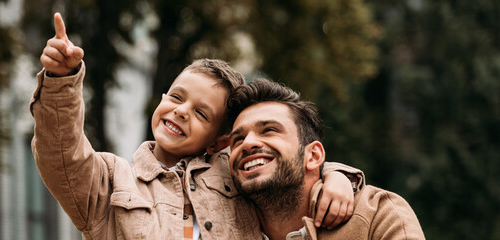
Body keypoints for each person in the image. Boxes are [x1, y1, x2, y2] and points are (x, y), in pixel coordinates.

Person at [31, 12, 364, 239]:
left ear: (219, 142)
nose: (181, 112)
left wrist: (337, 177)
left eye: (201, 114)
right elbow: (61, 154)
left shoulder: (235, 175)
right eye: (176, 98)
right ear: (162, 98)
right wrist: (62, 80)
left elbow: (287, 169)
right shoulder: (112, 180)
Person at [227, 78, 426, 240]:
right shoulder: (216, 222)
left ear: (313, 156)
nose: (247, 143)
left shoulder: (379, 215)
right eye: (237, 139)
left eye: (269, 130)